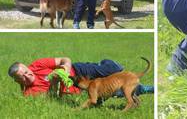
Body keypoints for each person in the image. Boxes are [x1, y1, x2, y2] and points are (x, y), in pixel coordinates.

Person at [8, 57, 154, 97]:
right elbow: (52, 98)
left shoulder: (37, 65)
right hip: (80, 89)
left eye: (27, 72)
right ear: (17, 81)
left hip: (77, 71)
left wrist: (65, 69)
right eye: (23, 78)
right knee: (116, 90)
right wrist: (54, 83)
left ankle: (105, 63)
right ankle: (146, 89)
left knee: (114, 69)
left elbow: (65, 59)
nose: (28, 76)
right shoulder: (28, 93)